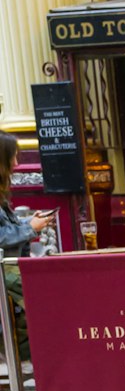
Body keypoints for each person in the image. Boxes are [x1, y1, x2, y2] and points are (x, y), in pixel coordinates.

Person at [0, 133, 55, 364]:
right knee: (46, 297)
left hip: (12, 272)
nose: (16, 164)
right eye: (12, 158)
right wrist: (30, 229)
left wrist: (29, 223)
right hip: (6, 277)